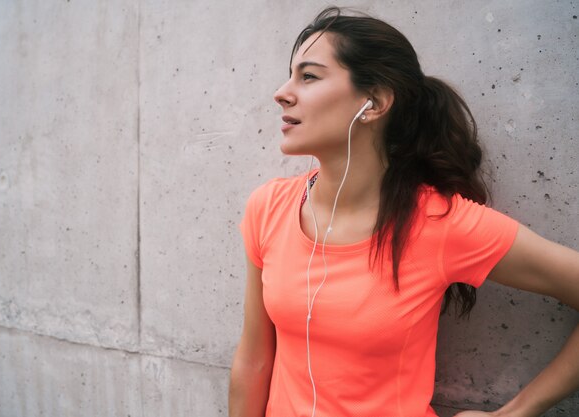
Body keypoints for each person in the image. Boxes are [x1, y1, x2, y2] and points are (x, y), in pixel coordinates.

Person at [228, 7, 579, 417]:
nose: (281, 92)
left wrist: (516, 412)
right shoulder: (268, 208)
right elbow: (253, 362)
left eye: (308, 76)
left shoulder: (438, 222)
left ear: (374, 103)